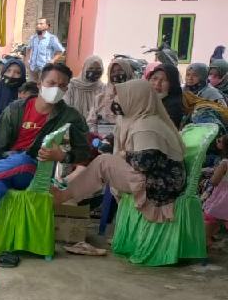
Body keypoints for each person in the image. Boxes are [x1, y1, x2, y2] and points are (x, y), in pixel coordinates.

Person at [54, 80, 186, 223]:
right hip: (157, 179)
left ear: (135, 98)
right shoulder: (141, 118)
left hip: (160, 186)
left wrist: (123, 154)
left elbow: (143, 164)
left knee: (103, 163)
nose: (116, 101)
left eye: (120, 97)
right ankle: (67, 194)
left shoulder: (146, 126)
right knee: (103, 161)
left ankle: (63, 196)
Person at [0, 62, 90, 232]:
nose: (57, 89)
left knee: (23, 160)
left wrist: (62, 156)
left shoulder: (70, 116)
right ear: (39, 84)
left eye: (62, 85)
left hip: (36, 171)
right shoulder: (16, 109)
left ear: (66, 90)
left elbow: (84, 153)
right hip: (7, 167)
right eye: (51, 83)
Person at [90, 57, 135, 131]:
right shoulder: (100, 98)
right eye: (113, 72)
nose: (116, 74)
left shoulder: (136, 97)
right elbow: (91, 122)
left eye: (120, 70)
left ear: (128, 72)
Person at [202, 135, 228, 249]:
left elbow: (215, 181)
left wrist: (206, 181)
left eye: (219, 140)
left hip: (223, 196)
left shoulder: (225, 163)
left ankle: (206, 241)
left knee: (210, 217)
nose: (217, 141)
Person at [66, 55, 104, 125]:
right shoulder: (72, 85)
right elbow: (66, 109)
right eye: (91, 68)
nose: (94, 71)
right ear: (84, 68)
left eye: (98, 69)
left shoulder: (103, 88)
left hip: (95, 129)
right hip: (74, 127)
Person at [25, 17, 65, 82]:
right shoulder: (33, 38)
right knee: (32, 88)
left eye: (41, 24)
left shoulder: (52, 38)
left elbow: (60, 51)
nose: (38, 26)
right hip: (33, 67)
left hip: (44, 68)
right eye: (37, 24)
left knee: (43, 87)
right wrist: (27, 60)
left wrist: (53, 60)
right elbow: (28, 49)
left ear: (47, 26)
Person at [147, 63, 185, 128]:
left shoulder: (174, 106)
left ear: (172, 84)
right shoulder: (145, 98)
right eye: (154, 78)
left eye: (164, 80)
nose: (157, 83)